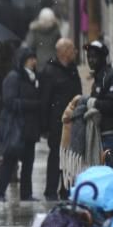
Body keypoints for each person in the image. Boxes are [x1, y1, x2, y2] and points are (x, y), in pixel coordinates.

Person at [0, 47, 43, 202]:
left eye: (34, 58)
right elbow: (9, 101)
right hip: (16, 126)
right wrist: (32, 104)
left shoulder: (33, 77)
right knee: (9, 161)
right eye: (30, 58)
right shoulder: (14, 77)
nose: (33, 61)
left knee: (28, 162)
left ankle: (26, 194)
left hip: (29, 127)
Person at [39, 38, 82, 201]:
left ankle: (66, 189)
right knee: (56, 156)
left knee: (70, 156)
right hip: (56, 123)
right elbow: (44, 100)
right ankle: (50, 190)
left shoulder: (72, 69)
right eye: (72, 49)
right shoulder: (50, 71)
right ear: (63, 52)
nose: (75, 52)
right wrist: (44, 126)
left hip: (72, 121)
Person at [85, 41, 113, 167]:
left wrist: (94, 103)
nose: (91, 60)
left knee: (111, 172)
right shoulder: (98, 79)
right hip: (101, 134)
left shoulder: (112, 78)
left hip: (112, 134)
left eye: (94, 57)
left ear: (103, 58)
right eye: (89, 57)